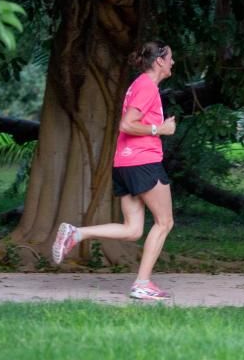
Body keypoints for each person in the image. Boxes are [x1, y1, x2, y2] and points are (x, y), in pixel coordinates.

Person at [51, 41, 177, 301]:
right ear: (160, 61)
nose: (173, 63)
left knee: (132, 230)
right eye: (171, 58)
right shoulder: (147, 86)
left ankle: (77, 233)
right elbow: (126, 124)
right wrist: (160, 130)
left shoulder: (138, 85)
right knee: (165, 222)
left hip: (125, 163)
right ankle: (142, 283)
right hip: (143, 162)